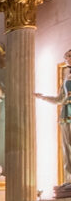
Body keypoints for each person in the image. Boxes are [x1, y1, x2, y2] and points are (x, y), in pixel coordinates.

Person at [35, 49, 71, 192]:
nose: (67, 59)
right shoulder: (66, 76)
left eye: (69, 56)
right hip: (66, 114)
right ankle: (69, 179)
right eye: (66, 57)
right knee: (67, 148)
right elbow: (59, 99)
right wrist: (42, 97)